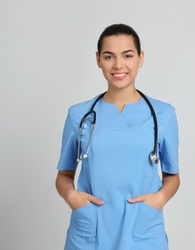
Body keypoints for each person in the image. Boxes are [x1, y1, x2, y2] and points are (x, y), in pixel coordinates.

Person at [55, 23, 180, 250]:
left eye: (128, 55)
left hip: (142, 229)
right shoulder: (79, 115)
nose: (118, 64)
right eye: (109, 56)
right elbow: (64, 174)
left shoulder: (163, 114)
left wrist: (158, 201)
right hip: (90, 229)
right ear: (98, 60)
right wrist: (71, 197)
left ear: (140, 58)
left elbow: (172, 176)